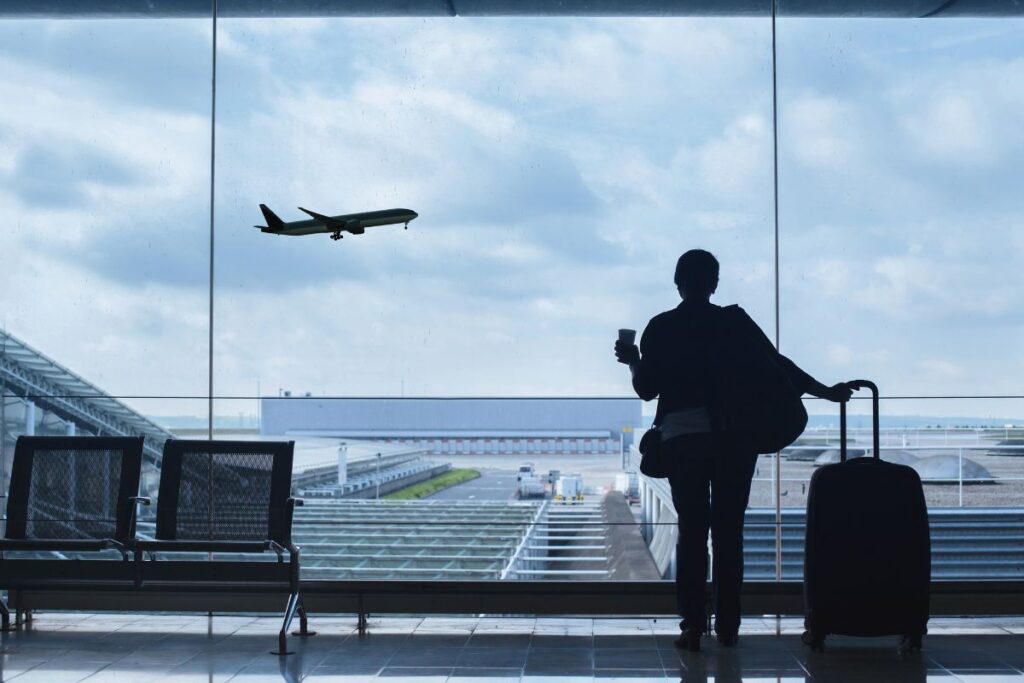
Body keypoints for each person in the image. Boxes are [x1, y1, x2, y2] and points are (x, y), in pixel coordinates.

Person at [614, 249, 851, 651]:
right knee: (728, 533)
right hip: (734, 440)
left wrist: (633, 360)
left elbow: (647, 388)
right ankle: (728, 627)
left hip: (683, 440)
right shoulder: (734, 322)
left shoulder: (662, 326)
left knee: (692, 533)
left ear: (677, 282)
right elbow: (778, 365)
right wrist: (826, 392)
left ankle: (692, 626)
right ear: (714, 283)